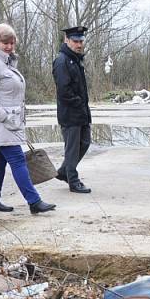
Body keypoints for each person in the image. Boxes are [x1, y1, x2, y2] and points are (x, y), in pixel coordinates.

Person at [0, 23, 55, 214]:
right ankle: (34, 201)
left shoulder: (5, 62)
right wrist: (3, 116)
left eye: (12, 43)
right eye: (5, 43)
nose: (9, 46)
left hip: (9, 121)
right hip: (0, 121)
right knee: (18, 160)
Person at [53, 26, 92, 193]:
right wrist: (78, 103)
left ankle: (63, 172)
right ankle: (73, 180)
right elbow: (64, 90)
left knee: (85, 143)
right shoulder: (62, 60)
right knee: (73, 148)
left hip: (80, 112)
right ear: (66, 41)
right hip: (70, 113)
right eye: (75, 41)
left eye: (81, 41)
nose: (79, 44)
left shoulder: (75, 59)